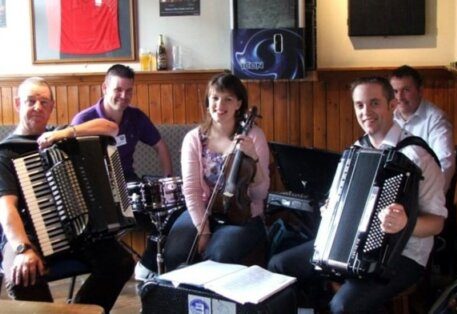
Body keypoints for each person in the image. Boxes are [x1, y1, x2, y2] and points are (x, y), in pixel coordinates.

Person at [268, 76, 447, 313]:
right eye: (359, 105)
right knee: (278, 267)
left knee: (343, 306)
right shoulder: (355, 151)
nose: (366, 112)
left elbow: (437, 224)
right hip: (346, 246)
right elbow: (338, 202)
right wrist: (330, 210)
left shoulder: (418, 156)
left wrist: (406, 223)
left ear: (392, 105)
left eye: (374, 103)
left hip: (403, 255)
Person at [0, 77, 135, 313]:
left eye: (44, 102)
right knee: (23, 274)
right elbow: (6, 207)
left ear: (52, 107)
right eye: (31, 101)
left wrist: (65, 133)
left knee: (120, 262)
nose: (37, 107)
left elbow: (110, 128)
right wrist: (23, 249)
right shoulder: (7, 153)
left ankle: (79, 311)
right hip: (27, 235)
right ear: (18, 103)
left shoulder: (59, 136)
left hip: (76, 231)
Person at [70, 64, 173, 281]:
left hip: (126, 182)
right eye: (118, 89)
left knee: (163, 220)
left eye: (129, 91)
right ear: (105, 88)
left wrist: (167, 179)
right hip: (94, 191)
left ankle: (145, 267)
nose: (123, 96)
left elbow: (160, 146)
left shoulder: (136, 117)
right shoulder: (82, 120)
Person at [163, 72, 270, 272]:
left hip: (242, 216)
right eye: (215, 98)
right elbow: (192, 190)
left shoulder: (254, 137)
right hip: (204, 210)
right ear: (207, 102)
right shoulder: (193, 139)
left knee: (217, 257)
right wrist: (203, 231)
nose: (220, 105)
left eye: (228, 99)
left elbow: (259, 195)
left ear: (239, 104)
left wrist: (253, 158)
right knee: (175, 253)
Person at [389, 65, 455, 192]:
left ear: (420, 91)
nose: (400, 97)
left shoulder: (436, 119)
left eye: (406, 90)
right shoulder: (387, 116)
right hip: (393, 188)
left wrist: (431, 197)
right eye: (395, 91)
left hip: (424, 190)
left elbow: (445, 163)